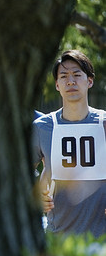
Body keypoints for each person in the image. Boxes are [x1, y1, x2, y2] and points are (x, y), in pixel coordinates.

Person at [33, 49, 106, 237]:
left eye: (76, 74)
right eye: (64, 76)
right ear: (57, 85)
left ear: (89, 81)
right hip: (59, 238)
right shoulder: (43, 127)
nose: (70, 81)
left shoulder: (104, 123)